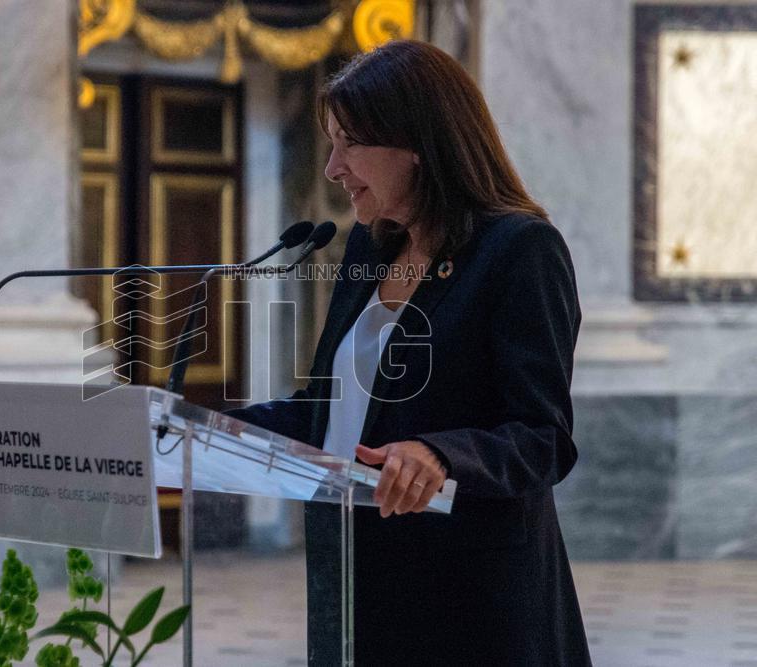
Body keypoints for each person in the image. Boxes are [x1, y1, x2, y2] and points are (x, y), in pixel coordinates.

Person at [227, 40, 591, 665]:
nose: (332, 168)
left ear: (417, 146)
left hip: (469, 603)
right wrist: (178, 424)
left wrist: (439, 455)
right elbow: (328, 413)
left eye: (349, 144)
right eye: (329, 144)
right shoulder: (369, 251)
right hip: (355, 585)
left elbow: (542, 437)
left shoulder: (519, 251)